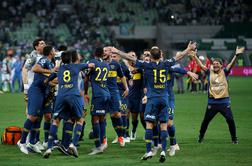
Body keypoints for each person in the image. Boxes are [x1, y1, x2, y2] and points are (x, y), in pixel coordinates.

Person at [107, 41, 196, 163]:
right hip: (164, 98)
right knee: (164, 125)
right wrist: (188, 49)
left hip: (152, 99)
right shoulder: (166, 64)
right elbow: (179, 56)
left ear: (151, 56)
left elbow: (130, 57)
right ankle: (163, 150)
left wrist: (118, 52)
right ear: (160, 55)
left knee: (149, 124)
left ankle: (149, 150)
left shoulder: (147, 65)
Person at [43, 51, 94, 158]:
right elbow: (91, 65)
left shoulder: (59, 69)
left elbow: (48, 79)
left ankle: (49, 147)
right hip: (73, 95)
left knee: (56, 121)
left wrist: (48, 80)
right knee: (80, 119)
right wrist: (91, 66)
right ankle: (73, 144)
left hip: (61, 96)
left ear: (62, 60)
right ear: (71, 59)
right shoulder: (76, 66)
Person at [190, 46, 245, 144]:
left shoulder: (225, 72)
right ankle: (201, 136)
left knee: (230, 120)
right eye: (214, 64)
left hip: (224, 102)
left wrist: (236, 55)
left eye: (217, 64)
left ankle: (234, 138)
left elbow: (232, 64)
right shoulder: (209, 72)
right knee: (206, 121)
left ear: (221, 65)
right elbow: (201, 66)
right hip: (212, 102)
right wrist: (195, 56)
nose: (215, 65)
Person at [17, 45, 56, 155]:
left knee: (40, 117)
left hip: (44, 91)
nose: (55, 51)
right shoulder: (44, 60)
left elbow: (47, 80)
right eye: (53, 50)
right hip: (36, 91)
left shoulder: (51, 63)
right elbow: (35, 69)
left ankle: (33, 142)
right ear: (50, 52)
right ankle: (23, 142)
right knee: (32, 116)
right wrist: (51, 71)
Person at [84, 47, 110, 155]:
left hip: (98, 95)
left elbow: (86, 78)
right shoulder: (106, 64)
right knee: (102, 119)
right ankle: (102, 143)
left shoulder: (92, 62)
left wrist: (85, 92)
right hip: (106, 93)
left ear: (94, 53)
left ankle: (98, 146)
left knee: (95, 120)